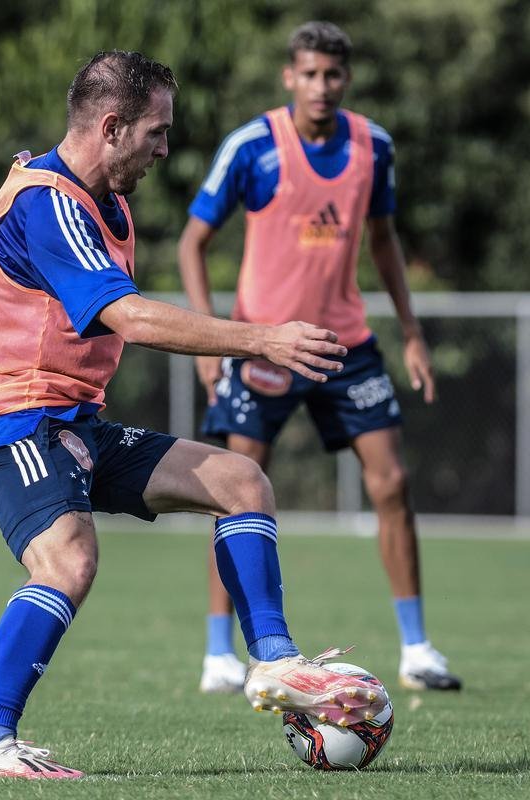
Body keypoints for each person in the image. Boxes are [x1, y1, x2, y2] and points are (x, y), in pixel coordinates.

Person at [0, 50, 389, 781]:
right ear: (111, 127)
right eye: (157, 132)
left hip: (72, 421)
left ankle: (276, 664)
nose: (164, 149)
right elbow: (131, 317)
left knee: (241, 482)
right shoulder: (48, 203)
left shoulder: (104, 203)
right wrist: (262, 338)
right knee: (68, 560)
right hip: (10, 418)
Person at [179, 22, 462, 695]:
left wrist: (412, 332)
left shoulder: (373, 147)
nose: (321, 85)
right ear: (289, 77)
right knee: (234, 490)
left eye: (332, 74)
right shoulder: (252, 146)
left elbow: (385, 241)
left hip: (345, 346)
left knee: (392, 483)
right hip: (264, 342)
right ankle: (219, 653)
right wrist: (213, 339)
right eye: (309, 73)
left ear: (347, 79)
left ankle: (417, 648)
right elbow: (192, 242)